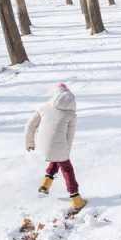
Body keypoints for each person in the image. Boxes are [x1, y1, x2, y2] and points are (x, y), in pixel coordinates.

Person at [25, 83, 87, 211]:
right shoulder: (71, 114)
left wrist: (30, 142)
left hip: (42, 146)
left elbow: (30, 126)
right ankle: (76, 199)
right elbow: (70, 136)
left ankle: (45, 184)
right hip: (59, 147)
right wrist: (65, 152)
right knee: (67, 168)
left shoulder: (43, 108)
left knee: (56, 157)